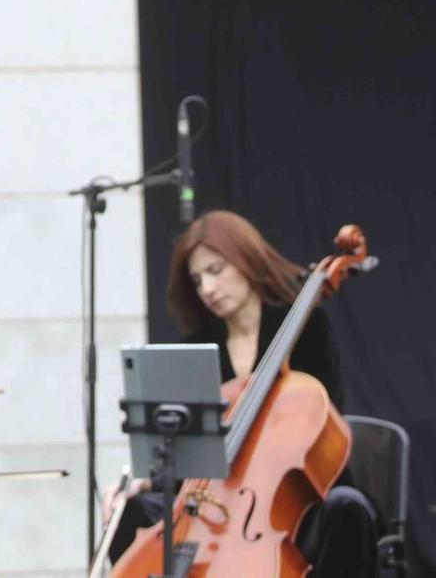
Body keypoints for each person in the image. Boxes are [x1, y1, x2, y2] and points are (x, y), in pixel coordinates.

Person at [105, 210, 378, 577]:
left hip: (295, 493)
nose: (207, 289)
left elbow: (322, 422)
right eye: (198, 280)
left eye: (216, 271)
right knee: (132, 509)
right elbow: (187, 450)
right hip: (215, 502)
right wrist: (149, 478)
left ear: (246, 260)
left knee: (349, 507)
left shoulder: (306, 328)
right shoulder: (199, 348)